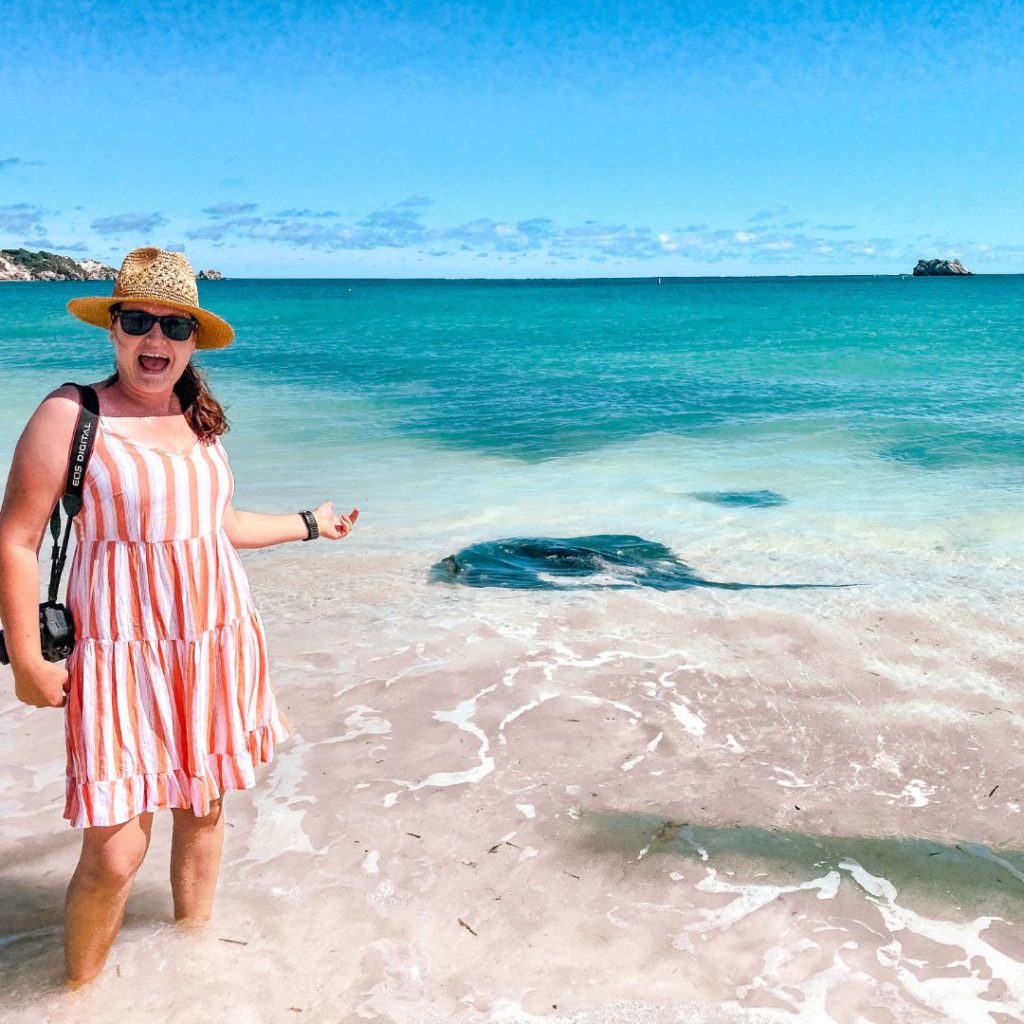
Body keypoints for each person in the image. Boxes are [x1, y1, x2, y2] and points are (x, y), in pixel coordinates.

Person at [0, 247, 358, 987]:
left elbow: (215, 524)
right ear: (114, 328)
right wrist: (27, 658)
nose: (155, 339)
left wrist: (309, 524)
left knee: (203, 809)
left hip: (211, 642)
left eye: (174, 326)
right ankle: (76, 998)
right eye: (138, 321)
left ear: (193, 338)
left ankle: (192, 968)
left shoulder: (199, 418)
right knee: (115, 852)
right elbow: (16, 538)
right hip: (119, 653)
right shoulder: (72, 412)